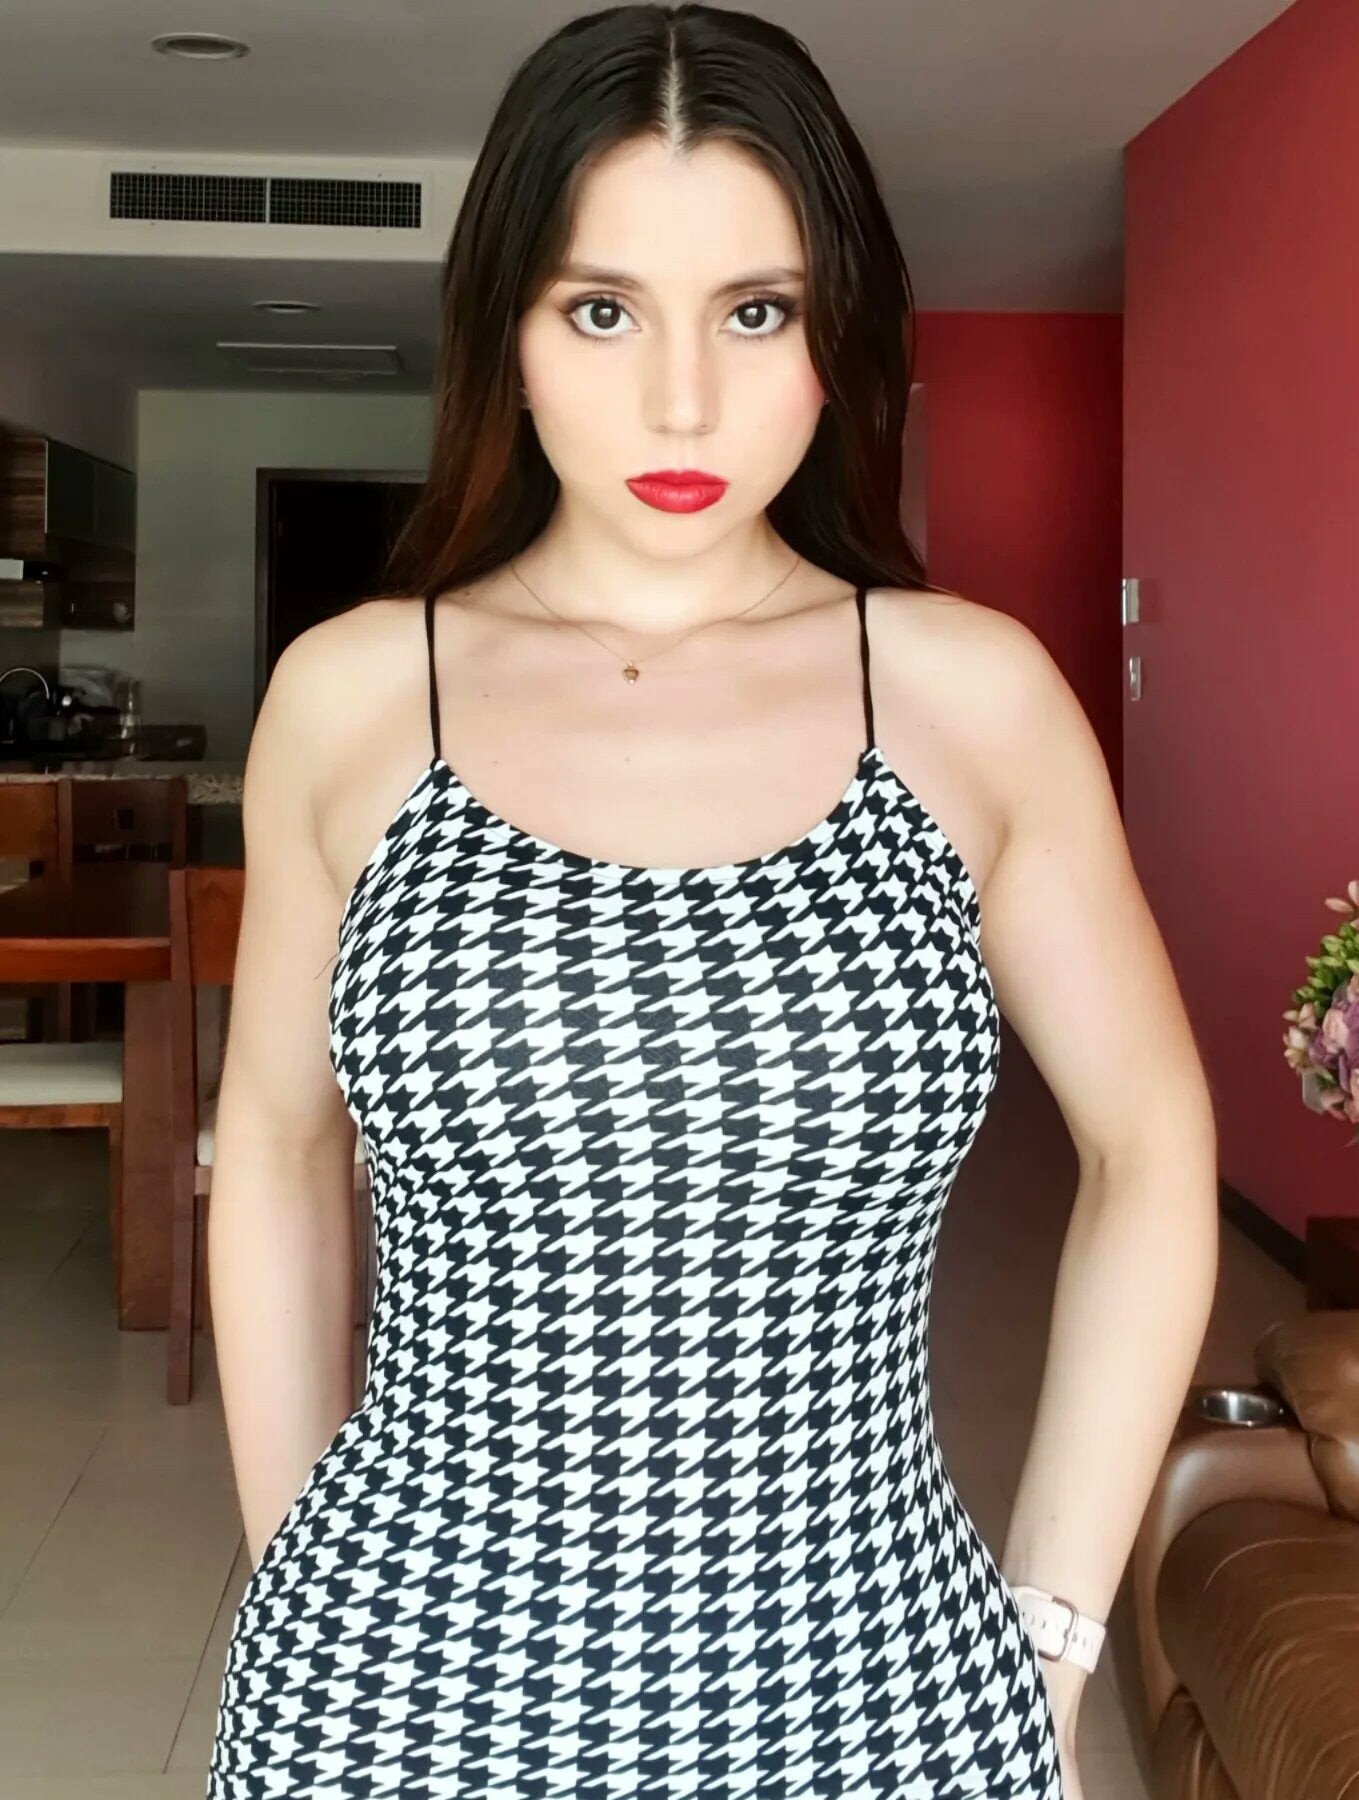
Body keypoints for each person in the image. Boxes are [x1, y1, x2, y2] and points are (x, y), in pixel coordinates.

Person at [205, 5, 1219, 1798]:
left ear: (841, 338)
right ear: (507, 334)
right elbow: (280, 1151)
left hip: (875, 1673)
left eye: (756, 312)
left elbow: (1150, 1148)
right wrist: (297, 1592)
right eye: (603, 310)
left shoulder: (964, 694)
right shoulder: (356, 696)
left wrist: (1052, 1639)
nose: (683, 401)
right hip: (394, 1670)